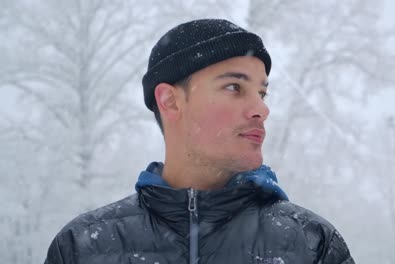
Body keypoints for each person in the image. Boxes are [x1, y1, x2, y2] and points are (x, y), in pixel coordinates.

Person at [44, 18, 355, 264]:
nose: (262, 109)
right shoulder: (81, 247)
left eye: (262, 93)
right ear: (170, 101)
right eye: (234, 87)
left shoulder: (312, 244)